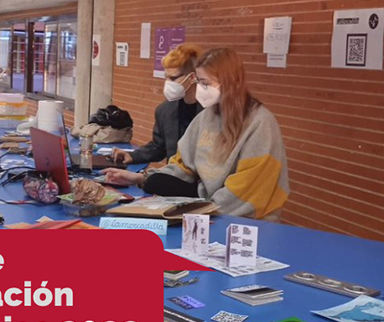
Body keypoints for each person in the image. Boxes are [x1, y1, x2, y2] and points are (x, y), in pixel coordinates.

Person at [102, 48, 289, 221]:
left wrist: (199, 211)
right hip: (204, 203)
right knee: (156, 182)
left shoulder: (260, 123)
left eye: (206, 83)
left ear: (229, 82)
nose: (200, 88)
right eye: (199, 81)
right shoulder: (207, 116)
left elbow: (246, 191)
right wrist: (143, 178)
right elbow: (181, 165)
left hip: (240, 218)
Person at [112, 44, 203, 165]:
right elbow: (159, 147)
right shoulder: (165, 110)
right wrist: (132, 155)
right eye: (166, 77)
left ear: (192, 77)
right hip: (175, 174)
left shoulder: (213, 111)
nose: (168, 83)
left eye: (173, 78)